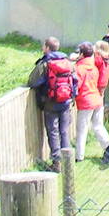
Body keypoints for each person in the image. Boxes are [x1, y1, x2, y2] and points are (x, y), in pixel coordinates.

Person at [27, 37, 76, 167]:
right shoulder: (68, 62)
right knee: (64, 131)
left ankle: (57, 162)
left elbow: (33, 81)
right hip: (66, 101)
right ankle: (68, 161)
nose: (43, 48)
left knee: (53, 131)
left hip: (50, 102)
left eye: (44, 46)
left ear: (47, 48)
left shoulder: (45, 64)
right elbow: (75, 81)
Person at [71, 43, 107, 162]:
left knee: (82, 129)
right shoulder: (94, 67)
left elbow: (77, 86)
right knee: (98, 126)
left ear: (82, 54)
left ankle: (79, 156)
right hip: (97, 100)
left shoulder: (79, 68)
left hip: (86, 102)